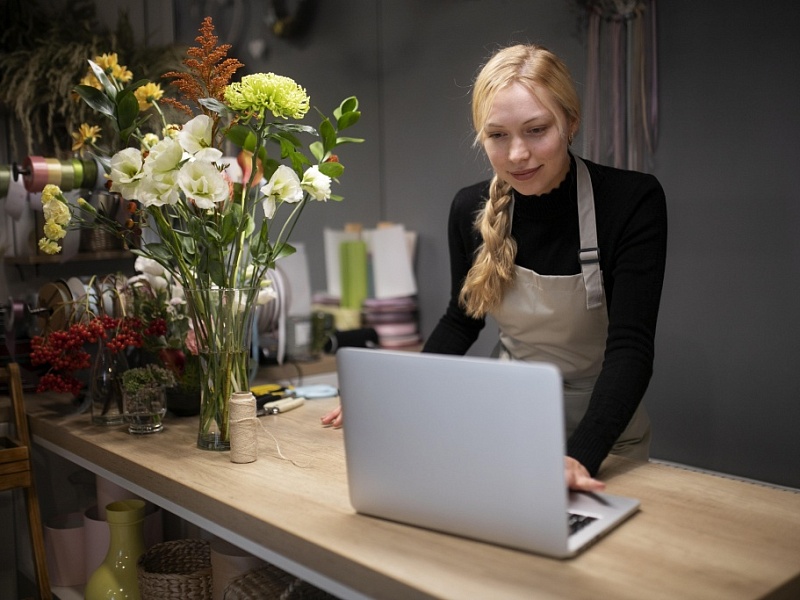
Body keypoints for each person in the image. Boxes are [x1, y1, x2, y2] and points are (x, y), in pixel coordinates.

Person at [323, 44, 667, 492]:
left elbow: (631, 348)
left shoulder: (630, 202)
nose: (518, 154)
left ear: (571, 122)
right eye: (498, 135)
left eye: (536, 130)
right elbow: (461, 321)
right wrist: (396, 394)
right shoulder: (471, 207)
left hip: (606, 436)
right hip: (508, 424)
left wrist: (579, 457)